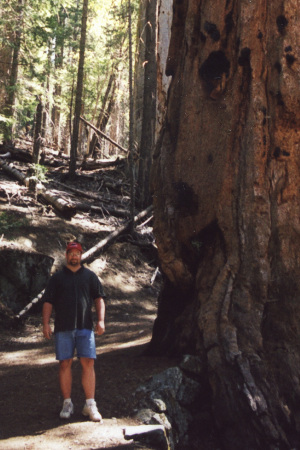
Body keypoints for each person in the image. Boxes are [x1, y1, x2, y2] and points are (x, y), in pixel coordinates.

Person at [42, 241, 106, 422]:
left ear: (81, 255)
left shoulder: (90, 276)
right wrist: (46, 324)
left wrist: (101, 320)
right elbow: (48, 302)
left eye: (77, 253)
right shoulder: (57, 278)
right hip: (63, 328)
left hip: (85, 328)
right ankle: (67, 403)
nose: (74, 256)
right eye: (71, 253)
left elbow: (99, 299)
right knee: (65, 364)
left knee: (88, 363)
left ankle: (90, 404)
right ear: (66, 255)